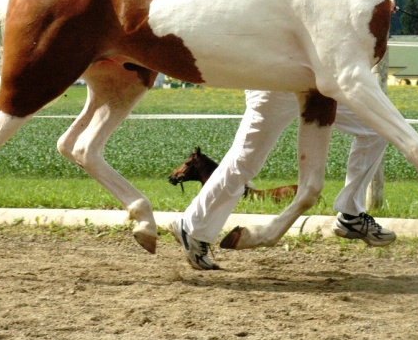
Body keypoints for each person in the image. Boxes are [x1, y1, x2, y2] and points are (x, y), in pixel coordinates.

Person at [169, 89, 397, 270]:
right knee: (244, 163)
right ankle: (191, 226)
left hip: (317, 84)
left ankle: (351, 214)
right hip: (277, 83)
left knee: (375, 126)